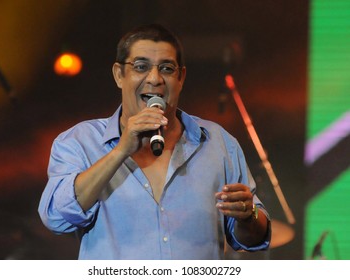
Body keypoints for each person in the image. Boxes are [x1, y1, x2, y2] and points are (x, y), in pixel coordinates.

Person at [38, 23, 271, 260]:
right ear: (119, 75)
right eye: (141, 67)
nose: (154, 79)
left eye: (167, 69)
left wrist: (248, 215)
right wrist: (120, 151)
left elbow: (253, 240)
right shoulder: (79, 142)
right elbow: (56, 217)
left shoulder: (218, 143)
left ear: (180, 77)